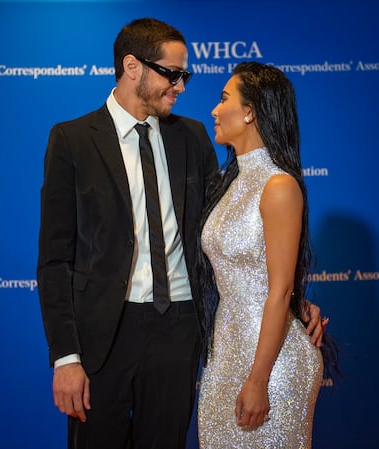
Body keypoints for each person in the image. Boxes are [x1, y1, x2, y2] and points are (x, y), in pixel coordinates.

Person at [37, 19, 325, 449]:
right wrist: (66, 357)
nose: (182, 86)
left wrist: (290, 297)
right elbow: (54, 261)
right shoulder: (72, 140)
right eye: (172, 74)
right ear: (132, 67)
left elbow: (229, 229)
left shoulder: (191, 137)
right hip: (101, 337)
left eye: (184, 75)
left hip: (179, 330)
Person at [197, 62, 324, 448]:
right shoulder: (230, 183)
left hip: (271, 366)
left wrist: (258, 378)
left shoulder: (279, 186)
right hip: (225, 357)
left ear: (250, 111)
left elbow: (280, 288)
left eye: (223, 99)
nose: (215, 110)